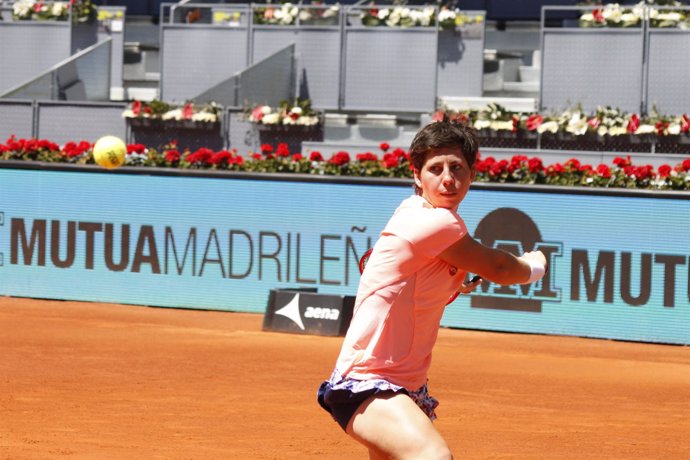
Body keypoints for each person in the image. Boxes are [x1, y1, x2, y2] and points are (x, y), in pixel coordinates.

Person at [317, 116, 548, 459]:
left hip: (404, 387)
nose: (447, 179)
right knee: (433, 456)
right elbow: (500, 267)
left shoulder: (421, 213)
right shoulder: (432, 221)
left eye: (457, 168)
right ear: (416, 175)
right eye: (435, 169)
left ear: (472, 173)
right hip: (367, 384)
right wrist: (535, 266)